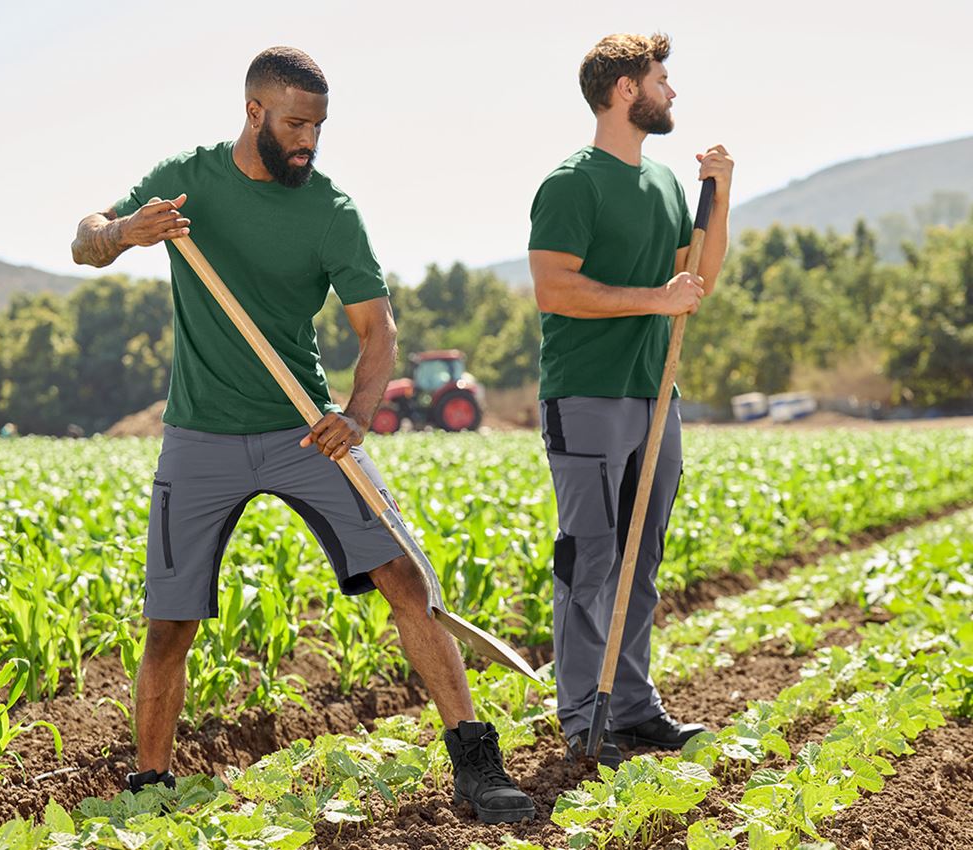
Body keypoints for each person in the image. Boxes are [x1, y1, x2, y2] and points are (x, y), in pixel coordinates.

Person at [70, 46, 534, 824]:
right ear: (255, 112)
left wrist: (355, 413)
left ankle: (476, 762)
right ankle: (150, 786)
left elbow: (377, 327)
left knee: (407, 581)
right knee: (169, 620)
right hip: (201, 436)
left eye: (318, 126)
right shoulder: (189, 179)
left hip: (305, 430)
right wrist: (125, 230)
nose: (308, 141)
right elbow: (82, 241)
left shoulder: (331, 210)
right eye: (295, 124)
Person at [528, 33, 733, 764]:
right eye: (661, 78)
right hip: (586, 396)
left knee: (641, 559)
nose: (671, 92)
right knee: (591, 558)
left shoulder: (666, 185)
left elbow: (696, 282)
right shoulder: (571, 183)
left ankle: (634, 703)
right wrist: (656, 298)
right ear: (624, 90)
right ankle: (584, 713)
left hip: (655, 394)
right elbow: (556, 287)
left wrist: (720, 191)